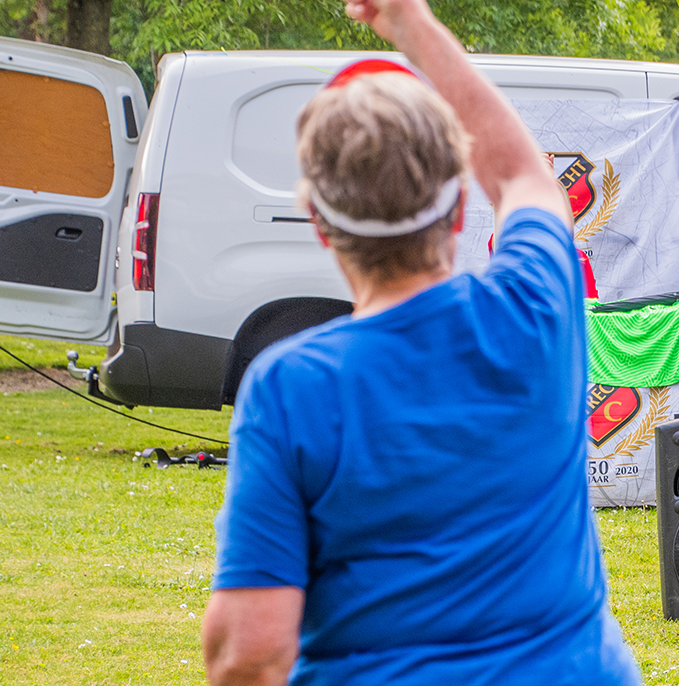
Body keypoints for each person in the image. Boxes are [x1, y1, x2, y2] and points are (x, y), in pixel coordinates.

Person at [200, 1, 641, 684]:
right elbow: (522, 175)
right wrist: (411, 22)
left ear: (319, 222)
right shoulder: (535, 308)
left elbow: (250, 653)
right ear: (460, 208)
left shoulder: (291, 389)